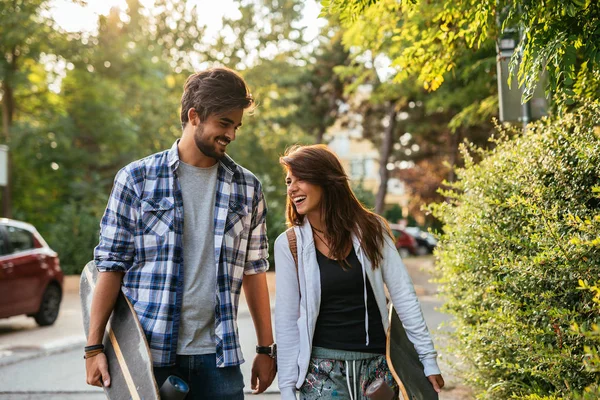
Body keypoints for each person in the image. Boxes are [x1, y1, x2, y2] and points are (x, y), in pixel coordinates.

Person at [85, 67, 276, 399]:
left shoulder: (247, 188)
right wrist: (93, 348)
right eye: (224, 123)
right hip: (149, 357)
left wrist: (265, 348)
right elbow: (110, 267)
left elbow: (254, 271)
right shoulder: (136, 180)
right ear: (194, 116)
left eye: (236, 126)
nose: (231, 134)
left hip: (220, 357)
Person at [274, 145, 444, 400]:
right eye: (289, 181)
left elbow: (404, 296)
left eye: (301, 179)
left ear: (326, 180)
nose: (292, 188)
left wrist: (427, 359)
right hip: (321, 373)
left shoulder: (372, 230)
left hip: (377, 369)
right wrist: (287, 387)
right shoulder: (290, 244)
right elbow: (286, 321)